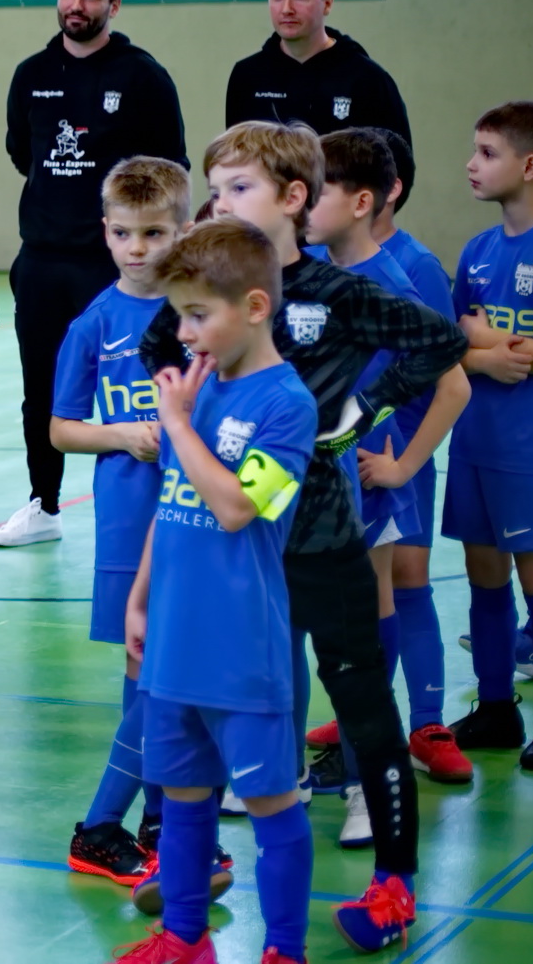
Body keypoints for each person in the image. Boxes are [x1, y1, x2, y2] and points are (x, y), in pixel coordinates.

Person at [137, 122, 468, 947]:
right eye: (215, 189)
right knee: (211, 706)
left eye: (239, 187)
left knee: (363, 708)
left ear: (293, 197)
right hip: (233, 552)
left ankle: (394, 883)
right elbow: (159, 345)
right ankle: (193, 866)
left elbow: (442, 341)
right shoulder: (211, 294)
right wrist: (198, 412)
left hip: (319, 537)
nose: (222, 203)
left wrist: (361, 409)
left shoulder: (339, 293)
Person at [117, 218, 317, 964]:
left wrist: (176, 423)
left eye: (198, 314)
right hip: (175, 639)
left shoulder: (286, 402)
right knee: (183, 795)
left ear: (256, 307)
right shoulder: (199, 391)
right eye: (179, 314)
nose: (184, 332)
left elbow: (235, 507)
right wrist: (140, 597)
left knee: (270, 803)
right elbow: (172, 502)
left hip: (240, 649)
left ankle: (284, 949)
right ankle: (183, 937)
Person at [302, 128, 472, 844]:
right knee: (299, 628)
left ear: (363, 201)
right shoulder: (306, 272)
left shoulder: (395, 283)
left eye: (320, 191)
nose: (305, 203)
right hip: (302, 485)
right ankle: (296, 774)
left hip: (367, 485)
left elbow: (453, 385)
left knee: (360, 637)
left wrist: (402, 467)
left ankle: (368, 788)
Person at [0, 0, 187, 549]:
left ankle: (169, 488)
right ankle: (43, 503)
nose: (76, 5)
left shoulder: (142, 77)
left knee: (142, 381)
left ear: (114, 5)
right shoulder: (31, 73)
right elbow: (22, 153)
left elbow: (172, 167)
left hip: (114, 264)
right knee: (41, 388)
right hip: (42, 259)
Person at [53, 157, 186, 888]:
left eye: (155, 233)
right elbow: (61, 429)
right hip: (130, 517)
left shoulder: (200, 312)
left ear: (183, 230)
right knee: (146, 668)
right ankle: (107, 823)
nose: (138, 248)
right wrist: (124, 434)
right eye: (125, 233)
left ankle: (157, 817)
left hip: (196, 513)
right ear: (105, 232)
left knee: (173, 667)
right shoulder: (95, 322)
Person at [447, 101, 533, 771]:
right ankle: (497, 706)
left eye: (487, 153)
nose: (472, 165)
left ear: (530, 166)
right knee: (483, 570)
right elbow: (454, 341)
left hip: (528, 451)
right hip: (473, 441)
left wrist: (489, 337)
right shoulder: (476, 250)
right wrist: (480, 355)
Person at [369, 130, 472, 784]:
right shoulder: (318, 259)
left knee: (408, 578)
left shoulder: (417, 266)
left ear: (385, 191)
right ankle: (365, 717)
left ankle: (428, 722)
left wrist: (408, 459)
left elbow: (448, 370)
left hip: (402, 449)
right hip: (346, 458)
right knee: (360, 593)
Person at [222, 0, 411, 145]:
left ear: (327, 4)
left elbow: (398, 160)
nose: (286, 9)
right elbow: (235, 156)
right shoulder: (247, 77)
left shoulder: (369, 80)